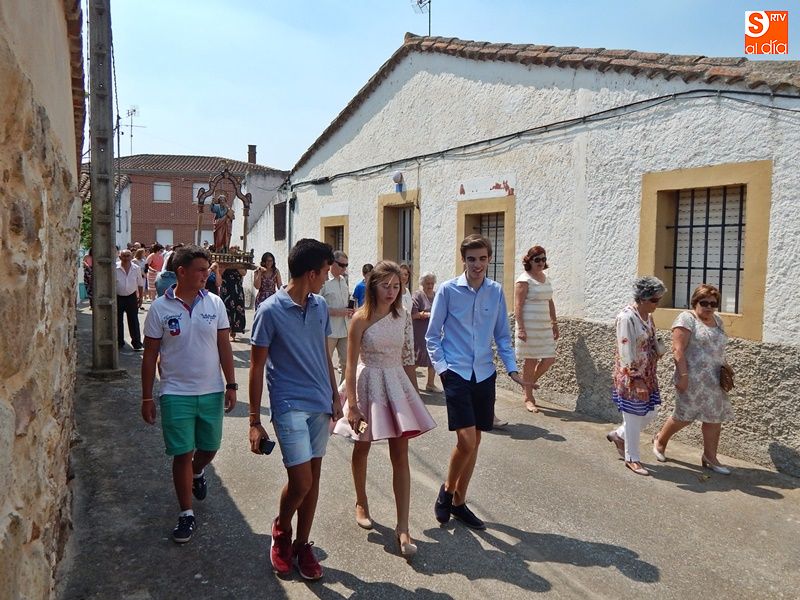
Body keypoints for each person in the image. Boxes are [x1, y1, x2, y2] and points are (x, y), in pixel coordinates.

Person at [248, 238, 343, 580]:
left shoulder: (319, 306)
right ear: (312, 273)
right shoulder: (269, 310)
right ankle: (282, 530)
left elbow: (324, 354)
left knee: (312, 479)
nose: (327, 278)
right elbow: (257, 366)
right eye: (325, 272)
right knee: (301, 481)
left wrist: (335, 396)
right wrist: (254, 420)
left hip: (320, 403)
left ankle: (303, 545)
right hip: (288, 403)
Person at [333, 261, 436, 558]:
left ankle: (403, 527)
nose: (391, 291)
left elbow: (407, 357)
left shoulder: (402, 315)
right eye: (385, 286)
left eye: (396, 286)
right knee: (362, 445)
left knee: (400, 455)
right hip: (368, 385)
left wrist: (415, 397)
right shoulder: (360, 319)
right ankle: (361, 501)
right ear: (373, 286)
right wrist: (352, 405)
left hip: (396, 385)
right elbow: (350, 365)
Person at [426, 234, 527, 530]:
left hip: (484, 374)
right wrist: (443, 370)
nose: (477, 264)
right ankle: (447, 490)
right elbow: (432, 336)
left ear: (489, 259)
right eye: (472, 259)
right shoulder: (448, 290)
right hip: (456, 372)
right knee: (466, 440)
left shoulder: (495, 292)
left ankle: (459, 503)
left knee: (476, 441)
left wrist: (512, 369)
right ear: (463, 260)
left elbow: (502, 336)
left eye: (483, 258)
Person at [141, 245, 237, 544]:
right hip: (175, 393)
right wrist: (147, 397)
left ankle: (197, 472)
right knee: (182, 453)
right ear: (181, 272)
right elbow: (149, 355)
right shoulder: (160, 308)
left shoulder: (215, 304)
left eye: (207, 270)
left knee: (209, 448)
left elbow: (224, 346)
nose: (206, 275)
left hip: (211, 391)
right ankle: (186, 513)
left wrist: (231, 385)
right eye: (200, 270)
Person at [652, 284, 734, 474]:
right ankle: (660, 440)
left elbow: (717, 348)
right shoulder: (686, 319)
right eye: (704, 303)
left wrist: (725, 368)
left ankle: (710, 457)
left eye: (713, 304)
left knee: (714, 418)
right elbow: (678, 350)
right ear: (695, 302)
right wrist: (683, 376)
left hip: (714, 379)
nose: (709, 307)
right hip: (691, 378)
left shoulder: (718, 321)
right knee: (684, 416)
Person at [606, 276, 667, 476]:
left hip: (648, 374)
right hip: (631, 377)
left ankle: (619, 435)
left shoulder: (647, 316)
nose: (657, 304)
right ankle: (632, 458)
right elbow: (625, 350)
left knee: (651, 412)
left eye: (659, 299)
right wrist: (636, 379)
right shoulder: (626, 318)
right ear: (642, 298)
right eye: (654, 300)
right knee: (633, 416)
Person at [514, 246, 559, 413]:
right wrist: (521, 329)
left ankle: (527, 384)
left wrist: (554, 323)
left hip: (544, 326)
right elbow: (518, 306)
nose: (541, 262)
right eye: (537, 259)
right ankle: (528, 397)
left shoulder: (545, 278)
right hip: (529, 326)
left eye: (543, 259)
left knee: (549, 359)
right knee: (531, 360)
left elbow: (550, 301)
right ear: (530, 261)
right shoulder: (524, 280)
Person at [321, 250, 353, 382]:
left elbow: (345, 302)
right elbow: (317, 307)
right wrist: (337, 312)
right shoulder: (324, 281)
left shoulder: (344, 280)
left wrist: (350, 310)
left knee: (347, 362)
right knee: (325, 364)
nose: (344, 268)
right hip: (330, 330)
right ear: (332, 263)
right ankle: (327, 390)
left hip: (345, 328)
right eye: (341, 265)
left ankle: (342, 390)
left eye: (346, 265)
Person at [411, 272, 438, 392]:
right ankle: (408, 382)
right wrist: (427, 314)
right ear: (422, 283)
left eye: (432, 283)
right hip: (420, 331)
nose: (430, 286)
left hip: (433, 331)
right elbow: (413, 314)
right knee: (419, 356)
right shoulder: (417, 295)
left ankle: (430, 384)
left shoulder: (436, 295)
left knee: (434, 356)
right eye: (428, 283)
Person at [116, 249, 143, 350]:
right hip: (118, 297)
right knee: (117, 321)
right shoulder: (114, 268)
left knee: (134, 320)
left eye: (128, 256)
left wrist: (141, 297)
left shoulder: (136, 268)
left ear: (131, 257)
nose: (126, 258)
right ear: (120, 257)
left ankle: (136, 343)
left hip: (131, 297)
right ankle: (119, 342)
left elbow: (140, 284)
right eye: (124, 256)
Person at [219, 247, 246, 342]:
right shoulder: (224, 260)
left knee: (237, 310)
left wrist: (236, 262)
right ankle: (226, 331)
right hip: (226, 289)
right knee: (226, 310)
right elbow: (220, 272)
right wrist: (227, 263)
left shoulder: (240, 262)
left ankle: (233, 332)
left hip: (237, 290)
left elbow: (243, 273)